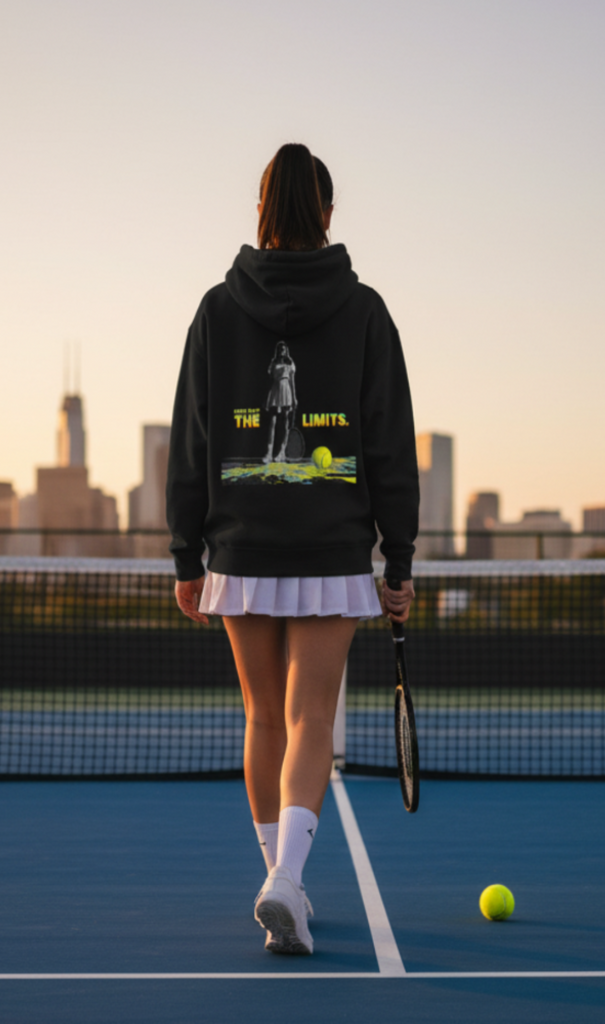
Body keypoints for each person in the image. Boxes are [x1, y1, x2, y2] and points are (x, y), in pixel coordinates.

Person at [167, 143, 418, 955]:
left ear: (261, 213)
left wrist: (185, 555)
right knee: (314, 716)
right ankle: (286, 885)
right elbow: (389, 441)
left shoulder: (215, 308)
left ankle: (283, 881)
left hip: (239, 549)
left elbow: (193, 438)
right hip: (333, 546)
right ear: (329, 215)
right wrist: (401, 559)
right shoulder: (367, 309)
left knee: (263, 715)